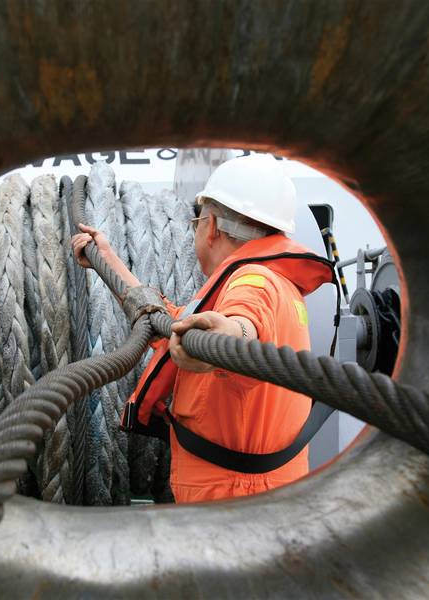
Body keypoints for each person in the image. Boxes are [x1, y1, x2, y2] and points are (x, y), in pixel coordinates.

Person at [72, 154, 333, 503]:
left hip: (235, 502)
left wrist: (221, 340)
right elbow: (171, 321)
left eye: (196, 223)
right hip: (256, 493)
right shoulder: (273, 280)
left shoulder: (252, 282)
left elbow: (243, 326)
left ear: (210, 226)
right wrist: (110, 261)